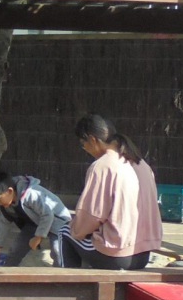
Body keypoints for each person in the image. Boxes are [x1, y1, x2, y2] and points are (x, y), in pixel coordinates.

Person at [68, 114, 163, 270]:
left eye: (83, 144)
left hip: (116, 256)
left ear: (92, 140)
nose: (85, 149)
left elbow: (91, 216)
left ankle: (67, 283)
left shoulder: (102, 166)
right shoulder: (142, 164)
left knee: (65, 232)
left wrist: (75, 229)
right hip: (143, 255)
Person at [0, 171, 76, 267]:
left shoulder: (31, 195)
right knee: (16, 248)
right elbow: (4, 223)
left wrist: (38, 237)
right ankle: (8, 269)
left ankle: (60, 272)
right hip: (35, 222)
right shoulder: (6, 204)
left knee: (57, 251)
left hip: (57, 221)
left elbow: (47, 215)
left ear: (10, 191)